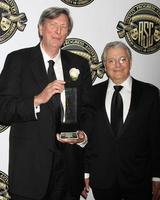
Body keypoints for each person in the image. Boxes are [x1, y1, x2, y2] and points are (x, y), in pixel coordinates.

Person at [0, 7, 93, 200]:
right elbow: (3, 110)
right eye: (53, 25)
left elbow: (88, 111)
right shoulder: (18, 60)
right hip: (30, 172)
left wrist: (82, 136)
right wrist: (37, 99)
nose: (58, 31)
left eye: (63, 27)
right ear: (41, 29)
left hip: (68, 172)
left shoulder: (80, 64)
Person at [84, 41, 160, 200]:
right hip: (102, 180)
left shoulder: (150, 94)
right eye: (111, 60)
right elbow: (87, 137)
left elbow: (156, 137)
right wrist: (85, 171)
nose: (117, 65)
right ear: (104, 65)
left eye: (122, 59)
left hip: (139, 180)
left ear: (130, 62)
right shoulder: (91, 94)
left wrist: (157, 176)